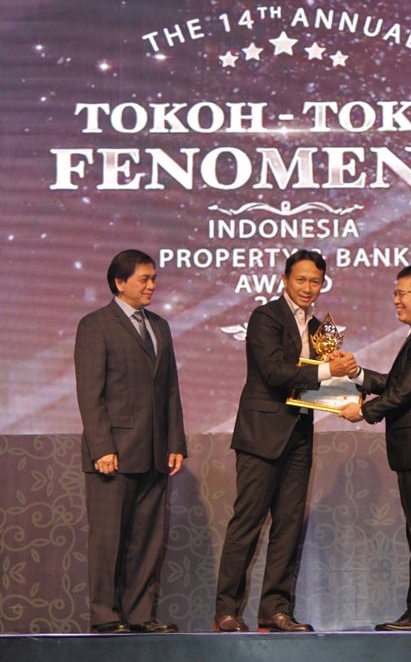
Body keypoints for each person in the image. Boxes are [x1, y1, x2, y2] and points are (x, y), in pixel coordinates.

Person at [214, 249, 358, 633]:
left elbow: (326, 383)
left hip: (298, 436)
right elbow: (275, 372)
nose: (308, 288)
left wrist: (350, 379)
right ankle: (226, 611)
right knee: (247, 524)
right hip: (261, 435)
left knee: (288, 526)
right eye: (301, 279)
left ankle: (275, 610)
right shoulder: (265, 317)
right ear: (285, 280)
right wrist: (329, 369)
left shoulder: (320, 329)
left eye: (315, 281)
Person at [74, 249, 187, 634]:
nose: (152, 285)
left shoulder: (160, 326)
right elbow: (90, 393)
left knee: (147, 540)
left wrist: (176, 442)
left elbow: (170, 390)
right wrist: (102, 447)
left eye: (154, 278)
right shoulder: (96, 325)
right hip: (114, 455)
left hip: (155, 452)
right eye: (144, 279)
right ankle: (105, 615)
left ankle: (139, 614)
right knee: (108, 539)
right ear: (120, 282)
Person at [340, 264, 411, 631]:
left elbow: (403, 392)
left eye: (401, 293)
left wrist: (363, 412)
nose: (396, 300)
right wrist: (356, 374)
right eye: (395, 293)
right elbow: (397, 382)